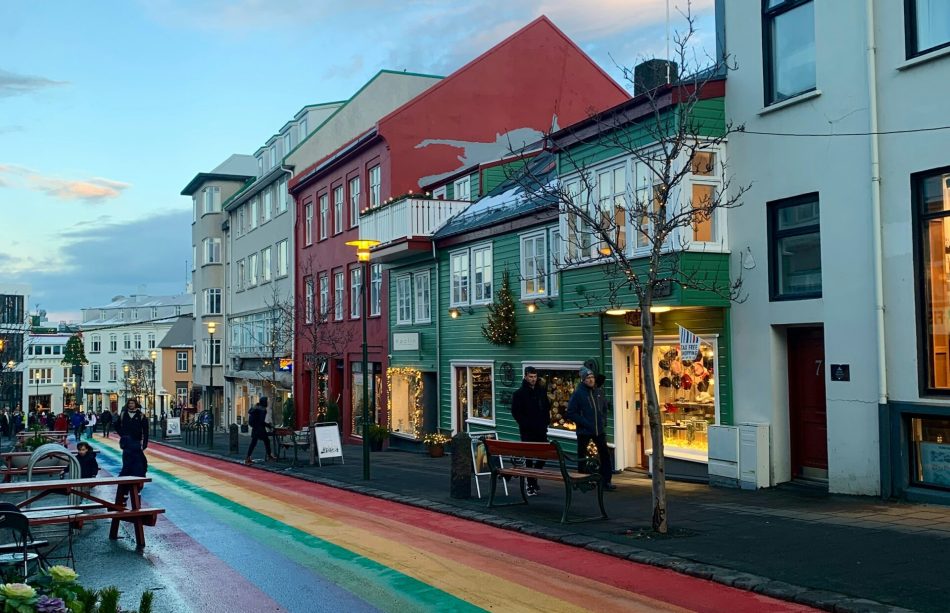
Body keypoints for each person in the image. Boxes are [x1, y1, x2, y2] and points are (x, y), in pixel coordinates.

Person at [566, 367, 615, 491]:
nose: (591, 380)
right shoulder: (578, 394)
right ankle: (581, 480)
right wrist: (584, 422)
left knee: (604, 454)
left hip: (599, 429)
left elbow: (604, 408)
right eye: (588, 378)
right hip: (584, 430)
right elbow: (571, 412)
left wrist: (603, 421)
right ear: (583, 380)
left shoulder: (598, 392)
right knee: (582, 455)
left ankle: (606, 481)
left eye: (592, 377)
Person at [510, 366, 551, 496]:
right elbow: (516, 412)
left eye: (535, 377)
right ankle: (531, 484)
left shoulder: (541, 391)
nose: (533, 379)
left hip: (541, 428)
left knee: (544, 454)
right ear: (526, 377)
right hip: (527, 430)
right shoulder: (519, 393)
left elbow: (546, 407)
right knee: (529, 458)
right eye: (531, 377)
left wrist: (546, 421)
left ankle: (533, 477)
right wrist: (525, 423)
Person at [244, 397, 276, 465]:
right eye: (267, 401)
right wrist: (269, 425)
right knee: (267, 441)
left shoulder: (255, 407)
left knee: (253, 443)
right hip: (260, 429)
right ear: (264, 402)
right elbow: (261, 421)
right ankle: (269, 455)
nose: (267, 403)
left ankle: (247, 457)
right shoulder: (263, 410)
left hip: (255, 428)